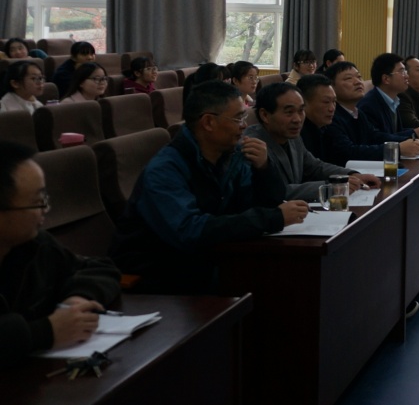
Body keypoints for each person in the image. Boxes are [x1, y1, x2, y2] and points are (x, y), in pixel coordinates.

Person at [110, 81, 307, 294]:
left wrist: (264, 169)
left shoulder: (232, 155)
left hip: (210, 259)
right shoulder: (165, 170)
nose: (244, 125)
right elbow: (191, 231)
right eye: (238, 118)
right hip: (158, 275)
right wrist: (272, 218)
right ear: (208, 122)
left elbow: (258, 204)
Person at [0, 140, 122, 366]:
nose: (45, 210)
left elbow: (98, 268)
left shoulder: (34, 243)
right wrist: (46, 332)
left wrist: (77, 299)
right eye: (37, 202)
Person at [244, 82, 380, 201]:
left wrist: (351, 175)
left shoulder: (293, 136)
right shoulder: (252, 146)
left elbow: (315, 167)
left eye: (301, 111)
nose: (297, 119)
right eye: (289, 112)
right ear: (265, 115)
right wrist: (330, 187)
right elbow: (276, 192)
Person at [321, 60, 419, 166]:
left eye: (359, 77)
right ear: (331, 87)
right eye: (348, 78)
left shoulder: (358, 113)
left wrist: (409, 140)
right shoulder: (330, 116)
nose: (357, 82)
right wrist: (396, 148)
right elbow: (348, 152)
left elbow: (375, 136)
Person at [296, 74, 337, 161]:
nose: (332, 108)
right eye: (326, 102)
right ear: (303, 103)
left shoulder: (328, 128)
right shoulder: (297, 133)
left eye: (334, 102)